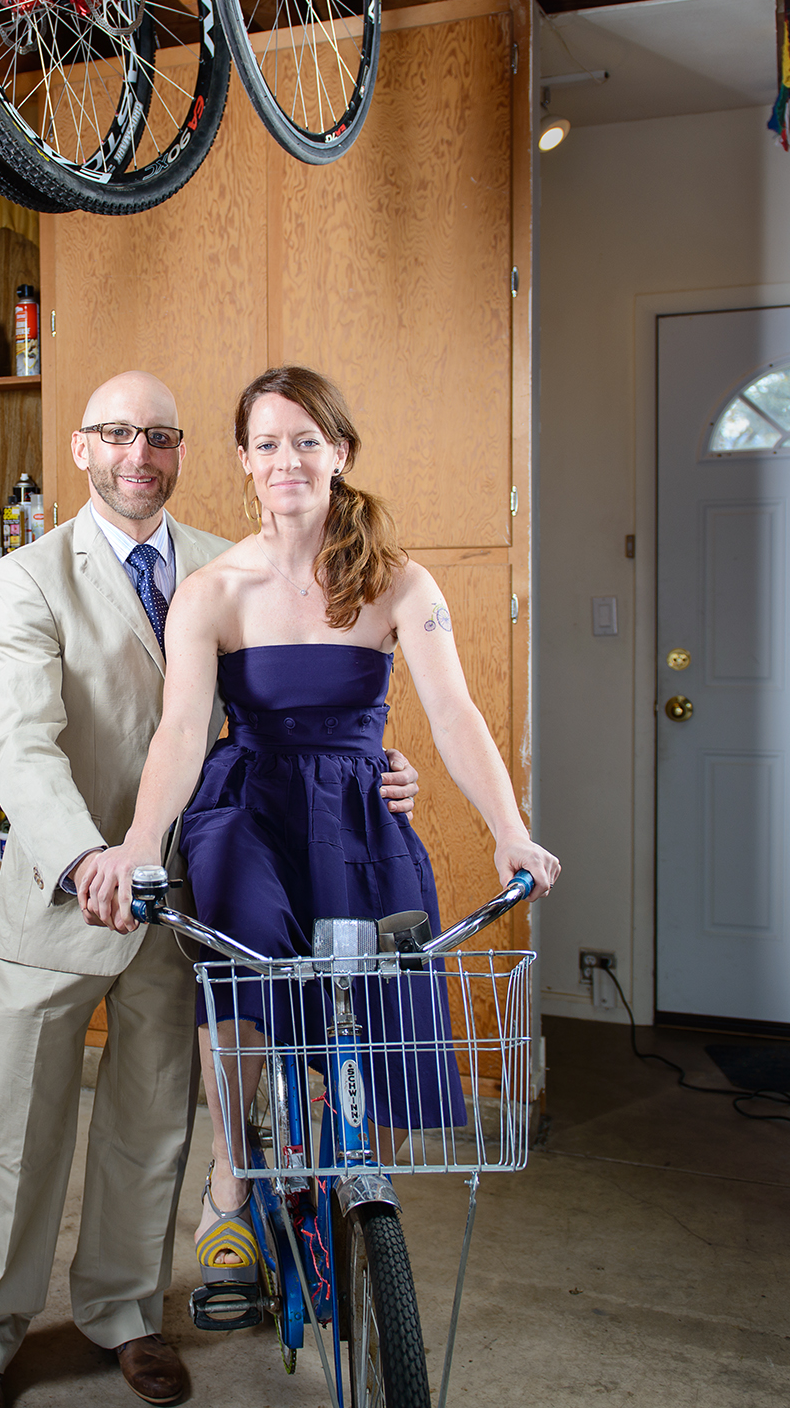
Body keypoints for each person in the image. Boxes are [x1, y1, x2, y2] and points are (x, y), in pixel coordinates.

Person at [0, 370, 421, 1408]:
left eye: (158, 436)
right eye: (116, 434)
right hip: (65, 897)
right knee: (19, 1131)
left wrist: (379, 771)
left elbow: (291, 718)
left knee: (152, 1125)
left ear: (187, 452)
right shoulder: (31, 574)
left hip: (189, 900)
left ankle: (123, 1311)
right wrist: (87, 859)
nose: (137, 455)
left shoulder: (229, 562)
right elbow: (18, 742)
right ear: (82, 448)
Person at [83, 364, 561, 1286]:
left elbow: (456, 714)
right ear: (244, 464)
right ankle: (231, 1182)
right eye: (268, 444)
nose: (288, 460)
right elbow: (185, 731)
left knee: (382, 986)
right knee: (246, 962)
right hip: (247, 805)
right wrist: (143, 845)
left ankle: (352, 1179)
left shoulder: (397, 583)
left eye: (307, 440)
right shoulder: (214, 590)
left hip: (354, 808)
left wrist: (509, 828)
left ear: (338, 454)